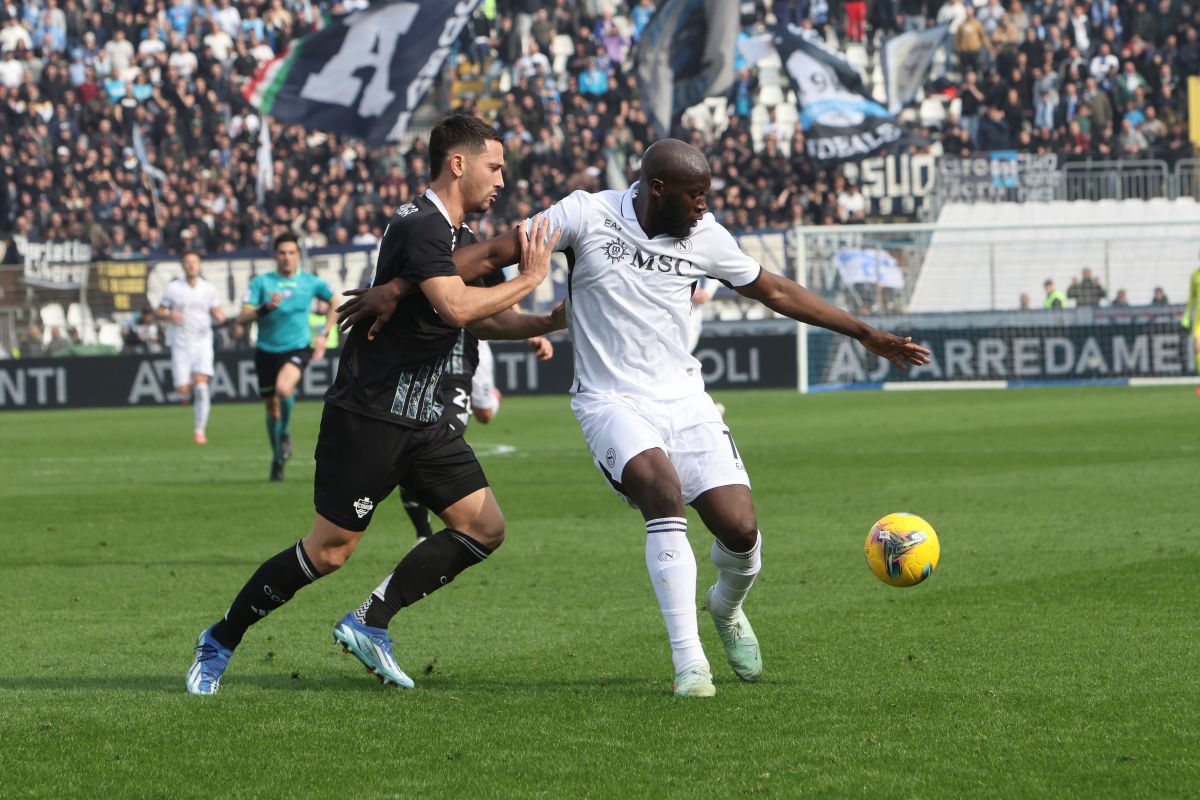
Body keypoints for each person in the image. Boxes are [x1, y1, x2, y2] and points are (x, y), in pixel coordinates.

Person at [339, 139, 930, 698]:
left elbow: (774, 290)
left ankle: (724, 608)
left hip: (685, 402)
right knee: (661, 493)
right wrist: (394, 288)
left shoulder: (707, 235)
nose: (704, 206)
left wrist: (866, 333)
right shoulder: (585, 215)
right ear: (656, 187)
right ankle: (688, 662)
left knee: (741, 531)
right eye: (695, 195)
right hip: (610, 401)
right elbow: (490, 253)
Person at [186, 115, 563, 696]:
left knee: (483, 527)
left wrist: (545, 321)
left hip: (425, 418)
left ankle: (370, 621)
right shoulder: (419, 226)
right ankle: (219, 640)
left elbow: (481, 318)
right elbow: (459, 307)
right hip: (370, 416)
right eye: (495, 167)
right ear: (457, 164)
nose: (502, 180)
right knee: (329, 552)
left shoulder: (458, 235)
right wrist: (533, 276)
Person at [401, 327, 555, 539]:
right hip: (429, 355)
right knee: (418, 445)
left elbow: (504, 301)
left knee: (485, 414)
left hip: (472, 345)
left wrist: (531, 334)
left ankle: (484, 398)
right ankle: (424, 534)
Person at [234, 232, 338, 481]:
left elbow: (336, 302)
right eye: (282, 253)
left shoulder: (311, 282)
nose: (287, 257)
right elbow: (242, 317)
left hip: (298, 347)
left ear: (298, 255)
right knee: (271, 411)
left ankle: (285, 433)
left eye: (291, 252)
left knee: (283, 389)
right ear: (275, 255)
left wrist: (323, 333)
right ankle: (277, 458)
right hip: (266, 351)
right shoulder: (262, 283)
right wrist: (264, 308)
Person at [157, 250, 225, 443]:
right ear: (182, 265)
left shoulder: (209, 289)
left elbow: (217, 310)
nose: (191, 265)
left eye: (194, 262)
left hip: (203, 343)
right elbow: (159, 311)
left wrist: (220, 316)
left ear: (199, 264)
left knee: (202, 389)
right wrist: (169, 316)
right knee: (183, 392)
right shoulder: (173, 288)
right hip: (180, 344)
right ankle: (193, 383)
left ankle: (199, 431)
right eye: (187, 262)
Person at [1182, 266, 1200, 387]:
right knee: (1197, 347)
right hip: (1199, 319)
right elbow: (1192, 297)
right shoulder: (1195, 275)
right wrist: (1187, 315)